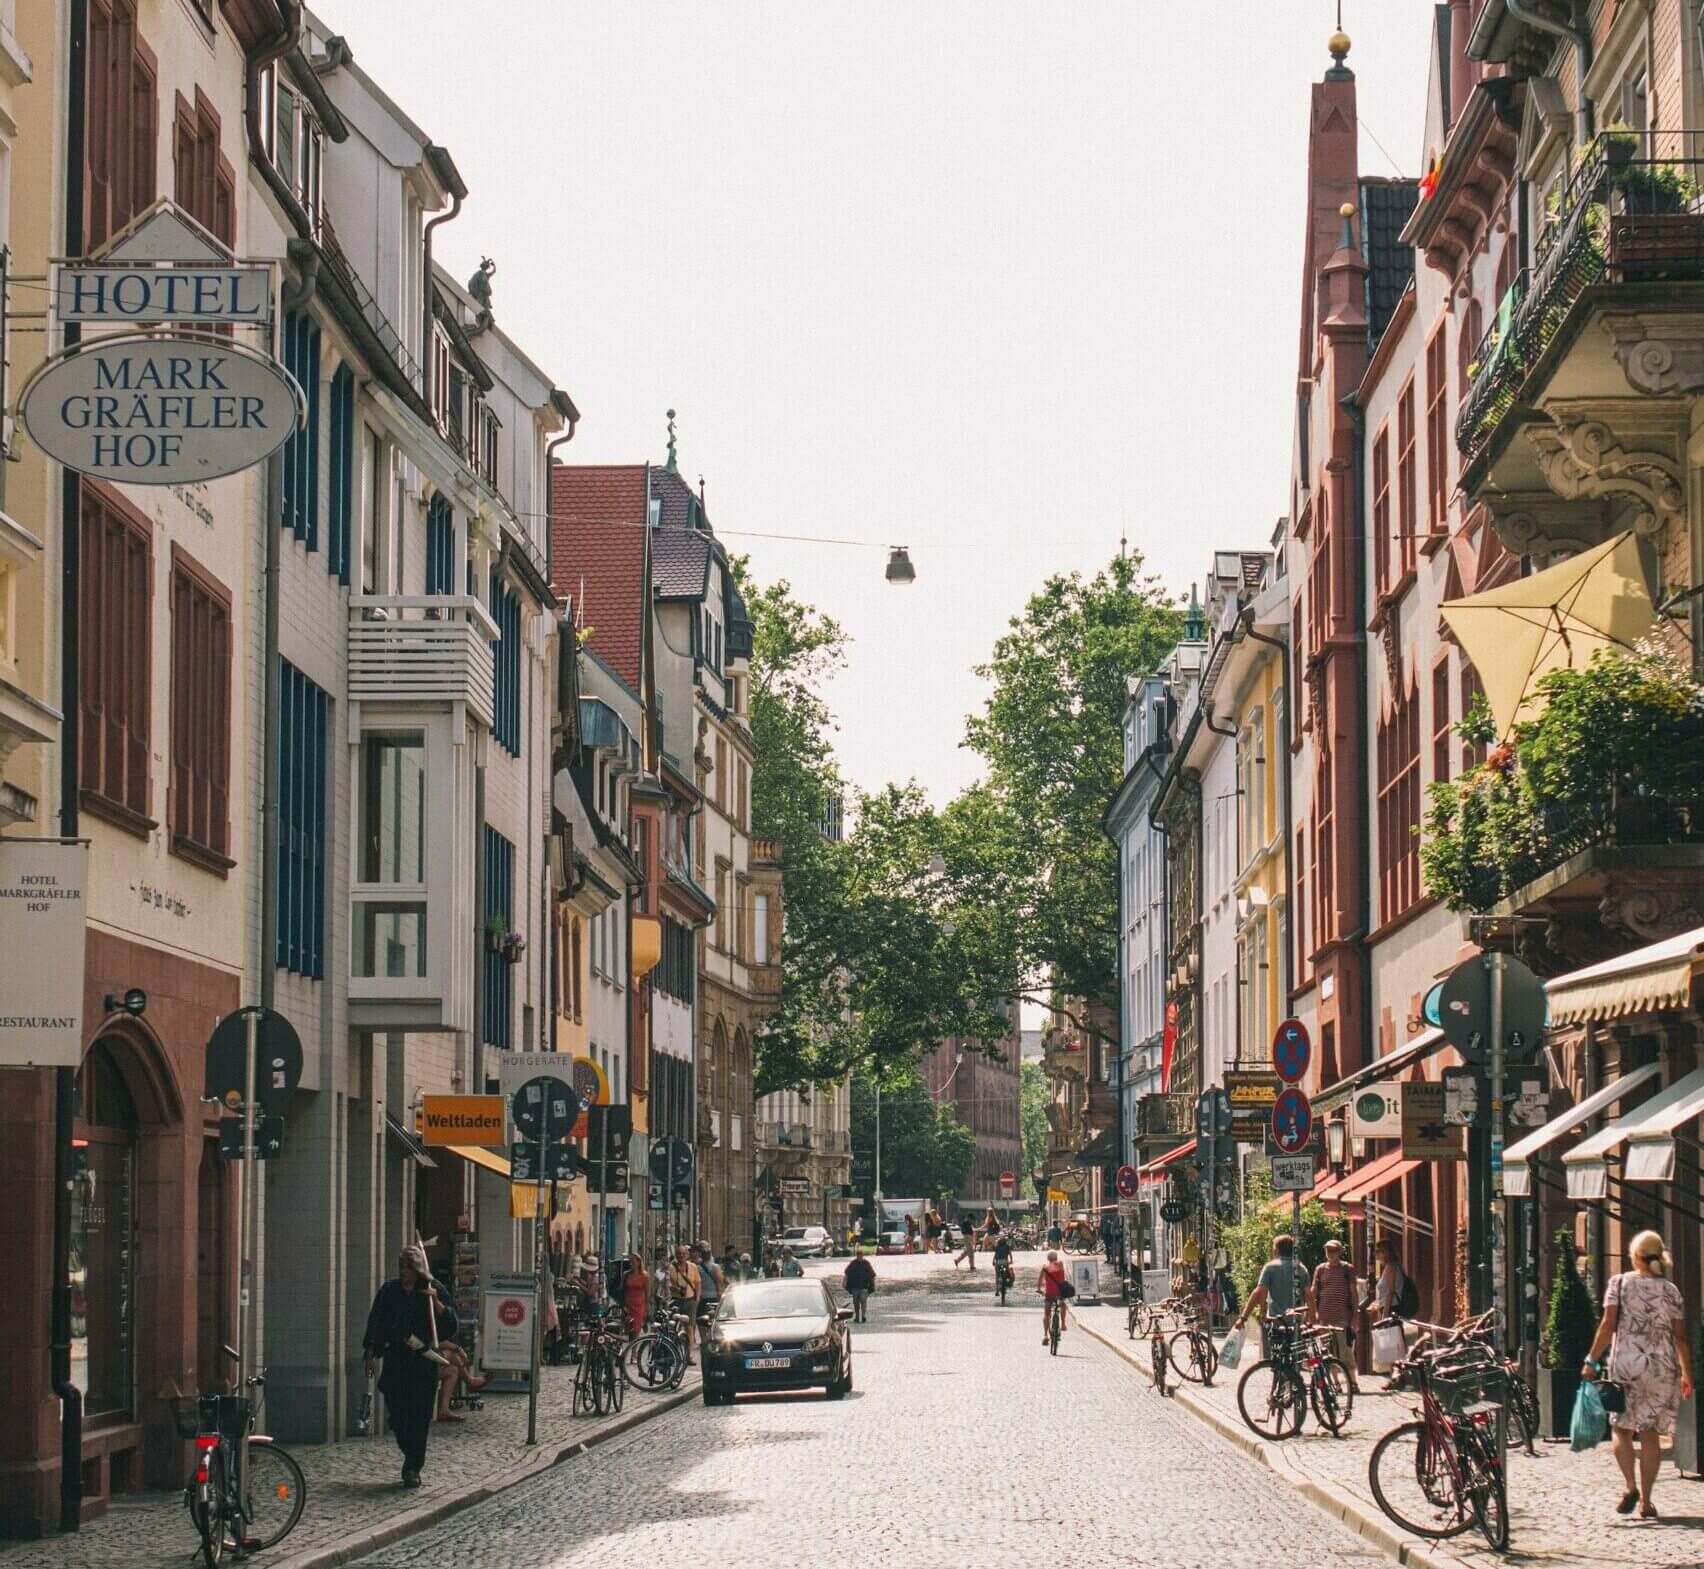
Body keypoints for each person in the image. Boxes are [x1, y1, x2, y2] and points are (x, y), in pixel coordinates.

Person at [1583, 1229, 1695, 1520]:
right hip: (1661, 1366)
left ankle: (1630, 1486)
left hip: (1627, 1365)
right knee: (1650, 1433)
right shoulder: (1671, 1290)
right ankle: (1646, 1501)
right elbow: (1680, 1337)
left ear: (1634, 1255)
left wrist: (1591, 1360)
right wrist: (1688, 1374)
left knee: (1621, 1428)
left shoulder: (1618, 1283)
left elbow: (1607, 1326)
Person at [362, 1245, 454, 1488]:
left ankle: (413, 1466)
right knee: (398, 1414)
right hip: (396, 1359)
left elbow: (450, 1325)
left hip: (422, 1362)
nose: (404, 1272)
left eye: (409, 1267)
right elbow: (377, 1321)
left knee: (420, 1416)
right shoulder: (389, 1291)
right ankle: (409, 1451)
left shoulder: (432, 1290)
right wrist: (371, 1351)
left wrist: (436, 1302)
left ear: (418, 1269)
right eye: (401, 1267)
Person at [1232, 1234, 1309, 1354]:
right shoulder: (1301, 1268)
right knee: (1296, 1357)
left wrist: (1245, 1317)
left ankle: (1279, 1370)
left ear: (1277, 1250)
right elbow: (1309, 1294)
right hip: (1297, 1321)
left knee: (1277, 1358)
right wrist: (1312, 1318)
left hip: (1277, 1321)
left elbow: (1259, 1292)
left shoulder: (1270, 1267)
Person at [1306, 1238, 1359, 1394]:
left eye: (1334, 1250)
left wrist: (1354, 1315)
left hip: (1343, 1317)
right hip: (1324, 1317)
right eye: (1328, 1250)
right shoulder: (1320, 1269)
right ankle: (1336, 1383)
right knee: (1328, 1352)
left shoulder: (1346, 1269)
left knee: (1345, 1352)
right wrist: (1311, 1312)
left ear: (1340, 1252)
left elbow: (1353, 1292)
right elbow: (1315, 1290)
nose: (1330, 1253)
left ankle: (1353, 1382)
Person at [1359, 1238, 1410, 1388]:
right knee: (1392, 1345)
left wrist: (1385, 1314)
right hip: (1389, 1308)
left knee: (1392, 1345)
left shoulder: (1391, 1267)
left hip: (1392, 1309)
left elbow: (1390, 1293)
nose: (1376, 1255)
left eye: (1378, 1251)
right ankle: (1397, 1378)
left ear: (1385, 1252)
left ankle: (1397, 1378)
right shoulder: (1389, 1267)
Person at [668, 1245, 702, 1359]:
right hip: (676, 1300)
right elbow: (667, 1284)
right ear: (676, 1255)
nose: (681, 1256)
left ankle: (688, 1355)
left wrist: (697, 1299)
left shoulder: (693, 1267)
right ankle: (673, 1353)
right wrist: (675, 1289)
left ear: (687, 1255)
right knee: (673, 1327)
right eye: (679, 1254)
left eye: (683, 1254)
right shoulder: (671, 1267)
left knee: (689, 1328)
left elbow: (698, 1283)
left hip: (690, 1300)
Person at [1038, 1248, 1068, 1344]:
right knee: (1063, 1305)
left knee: (1046, 1314)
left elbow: (1039, 1281)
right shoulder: (1060, 1264)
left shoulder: (1045, 1267)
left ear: (1048, 1258)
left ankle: (1045, 1335)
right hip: (1060, 1293)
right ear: (1056, 1257)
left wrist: (1039, 1289)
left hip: (1049, 1293)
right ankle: (1063, 1324)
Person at [843, 1247, 876, 1322]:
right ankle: (857, 1317)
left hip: (864, 1286)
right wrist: (844, 1282)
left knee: (863, 1301)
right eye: (858, 1255)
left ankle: (863, 1315)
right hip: (855, 1287)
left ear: (863, 1255)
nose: (860, 1257)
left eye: (861, 1255)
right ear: (856, 1256)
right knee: (856, 1303)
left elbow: (872, 1275)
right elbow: (846, 1273)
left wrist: (873, 1284)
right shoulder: (853, 1263)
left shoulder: (866, 1263)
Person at [621, 1251, 651, 1337]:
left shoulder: (645, 1276)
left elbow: (647, 1292)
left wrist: (647, 1308)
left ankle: (634, 1350)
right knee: (628, 1328)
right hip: (628, 1304)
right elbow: (622, 1290)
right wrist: (622, 1305)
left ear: (638, 1262)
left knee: (636, 1329)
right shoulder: (626, 1274)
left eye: (633, 1261)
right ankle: (629, 1348)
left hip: (639, 1305)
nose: (631, 1264)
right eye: (630, 1261)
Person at [990, 1229, 1015, 1295]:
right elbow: (1010, 1254)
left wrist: (993, 1261)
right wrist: (1011, 1260)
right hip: (1005, 1261)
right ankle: (1010, 1281)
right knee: (1008, 1271)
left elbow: (995, 1255)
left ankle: (997, 1290)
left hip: (998, 1262)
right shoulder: (1007, 1246)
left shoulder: (997, 1246)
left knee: (997, 1275)